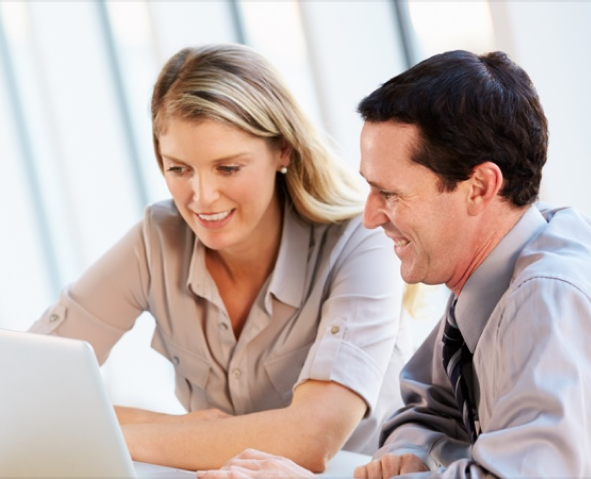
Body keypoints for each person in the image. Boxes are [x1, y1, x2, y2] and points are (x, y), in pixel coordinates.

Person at [199, 50, 591, 478]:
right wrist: (418, 454)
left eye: (390, 194)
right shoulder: (491, 280)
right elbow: (426, 407)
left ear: (479, 187)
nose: (370, 217)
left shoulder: (547, 297)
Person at [29, 43, 410, 472]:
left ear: (282, 149)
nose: (202, 197)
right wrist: (175, 431)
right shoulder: (158, 240)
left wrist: (120, 433)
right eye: (179, 169)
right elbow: (29, 382)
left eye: (228, 168)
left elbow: (311, 438)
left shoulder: (361, 242)